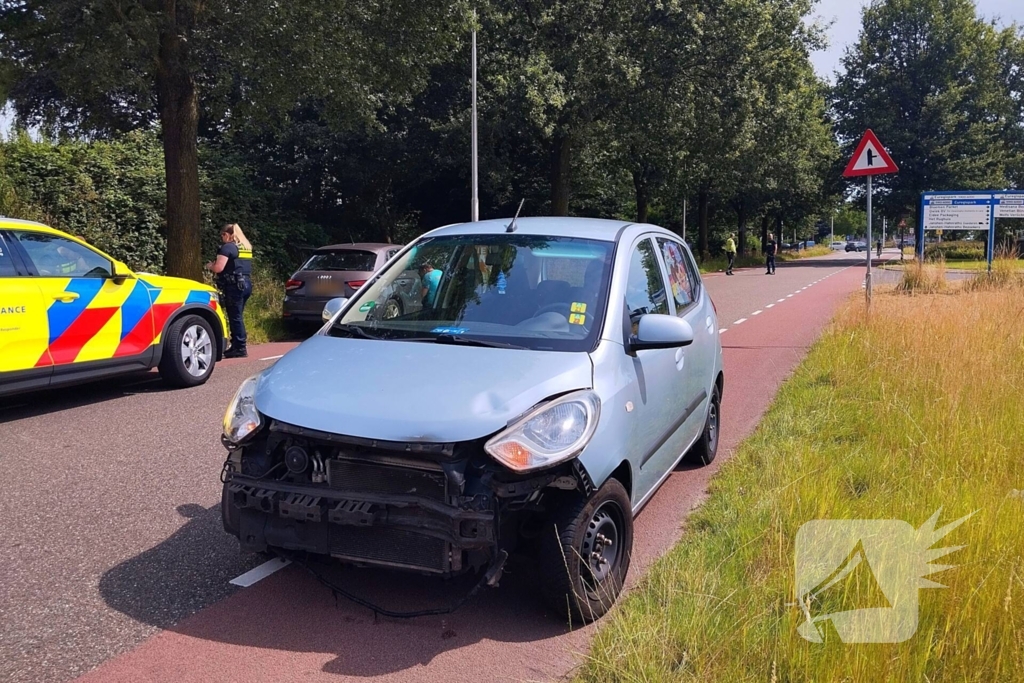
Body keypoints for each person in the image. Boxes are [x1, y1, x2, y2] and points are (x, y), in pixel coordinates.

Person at [206, 223, 253, 358]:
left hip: (234, 286)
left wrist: (210, 266)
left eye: (223, 235)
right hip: (246, 284)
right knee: (238, 316)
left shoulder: (228, 247)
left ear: (229, 235)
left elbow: (219, 268)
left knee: (235, 317)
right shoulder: (245, 247)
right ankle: (238, 345)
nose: (222, 238)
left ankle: (239, 348)